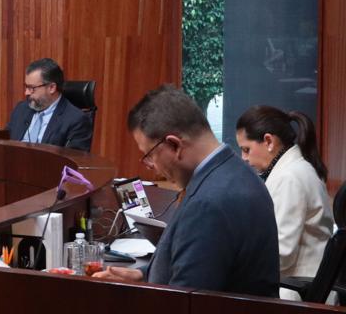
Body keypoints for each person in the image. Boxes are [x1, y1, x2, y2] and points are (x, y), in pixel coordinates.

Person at [93, 85, 279, 297]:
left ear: (174, 145)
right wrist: (144, 277)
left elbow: (183, 306)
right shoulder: (238, 172)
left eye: (149, 155)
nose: (151, 166)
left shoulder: (208, 204)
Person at [235, 106, 334, 301]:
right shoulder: (296, 169)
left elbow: (281, 254)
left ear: (269, 141)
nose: (243, 158)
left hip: (296, 292)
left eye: (246, 149)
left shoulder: (290, 177)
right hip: (302, 287)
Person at [6, 58, 93, 152]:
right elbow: (5, 143)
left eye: (32, 88)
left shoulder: (76, 120)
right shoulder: (21, 109)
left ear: (51, 88)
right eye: (26, 87)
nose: (26, 93)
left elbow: (73, 158)